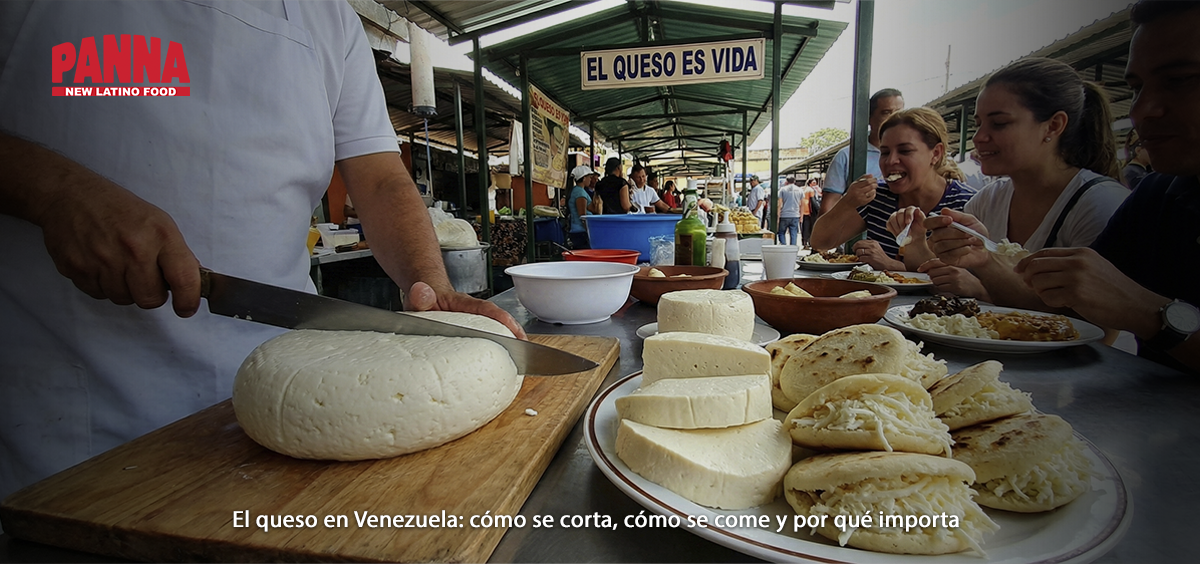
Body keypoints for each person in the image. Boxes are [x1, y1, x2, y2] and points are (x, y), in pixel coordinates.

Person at [0, 0, 524, 502]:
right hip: (84, 411)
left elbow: (381, 178)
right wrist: (54, 192)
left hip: (301, 383)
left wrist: (431, 286)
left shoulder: (329, 17)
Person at [928, 0, 1200, 374]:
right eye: (1136, 87)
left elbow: (1096, 331)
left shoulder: (1102, 200)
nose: (1141, 111)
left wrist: (1151, 314)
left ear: (1053, 127)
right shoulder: (1159, 195)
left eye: (1181, 80)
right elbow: (1065, 313)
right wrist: (982, 259)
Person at [917, 57, 1129, 301]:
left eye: (999, 123)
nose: (978, 137)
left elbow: (1097, 325)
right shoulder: (987, 200)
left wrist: (985, 266)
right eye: (979, 124)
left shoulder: (1100, 204)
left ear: (1053, 126)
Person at [811, 108, 976, 271]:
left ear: (936, 153)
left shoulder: (967, 204)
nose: (890, 161)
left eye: (905, 151)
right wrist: (847, 202)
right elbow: (820, 242)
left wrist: (892, 266)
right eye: (884, 152)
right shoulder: (878, 198)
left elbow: (969, 281)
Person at [822, 88, 905, 212]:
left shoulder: (914, 154)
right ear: (869, 118)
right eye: (886, 112)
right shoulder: (847, 156)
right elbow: (828, 207)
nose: (894, 118)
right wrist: (850, 200)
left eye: (899, 112)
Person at [567, 165, 602, 249]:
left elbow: (591, 209)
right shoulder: (579, 193)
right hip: (580, 232)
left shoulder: (580, 191)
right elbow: (582, 215)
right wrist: (589, 231)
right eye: (589, 177)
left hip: (580, 231)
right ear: (583, 178)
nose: (590, 179)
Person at [777, 176, 802, 245]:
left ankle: (783, 246)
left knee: (781, 232)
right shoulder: (799, 190)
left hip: (784, 214)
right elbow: (802, 204)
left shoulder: (782, 189)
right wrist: (801, 216)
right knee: (793, 233)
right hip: (795, 215)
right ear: (794, 181)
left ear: (786, 181)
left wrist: (778, 215)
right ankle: (792, 249)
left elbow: (780, 204)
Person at [800, 178, 819, 245]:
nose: (815, 184)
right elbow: (813, 201)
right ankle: (808, 241)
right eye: (813, 183)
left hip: (802, 211)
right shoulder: (810, 190)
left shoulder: (802, 189)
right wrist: (818, 209)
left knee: (804, 227)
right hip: (808, 211)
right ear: (810, 183)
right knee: (809, 227)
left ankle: (804, 241)